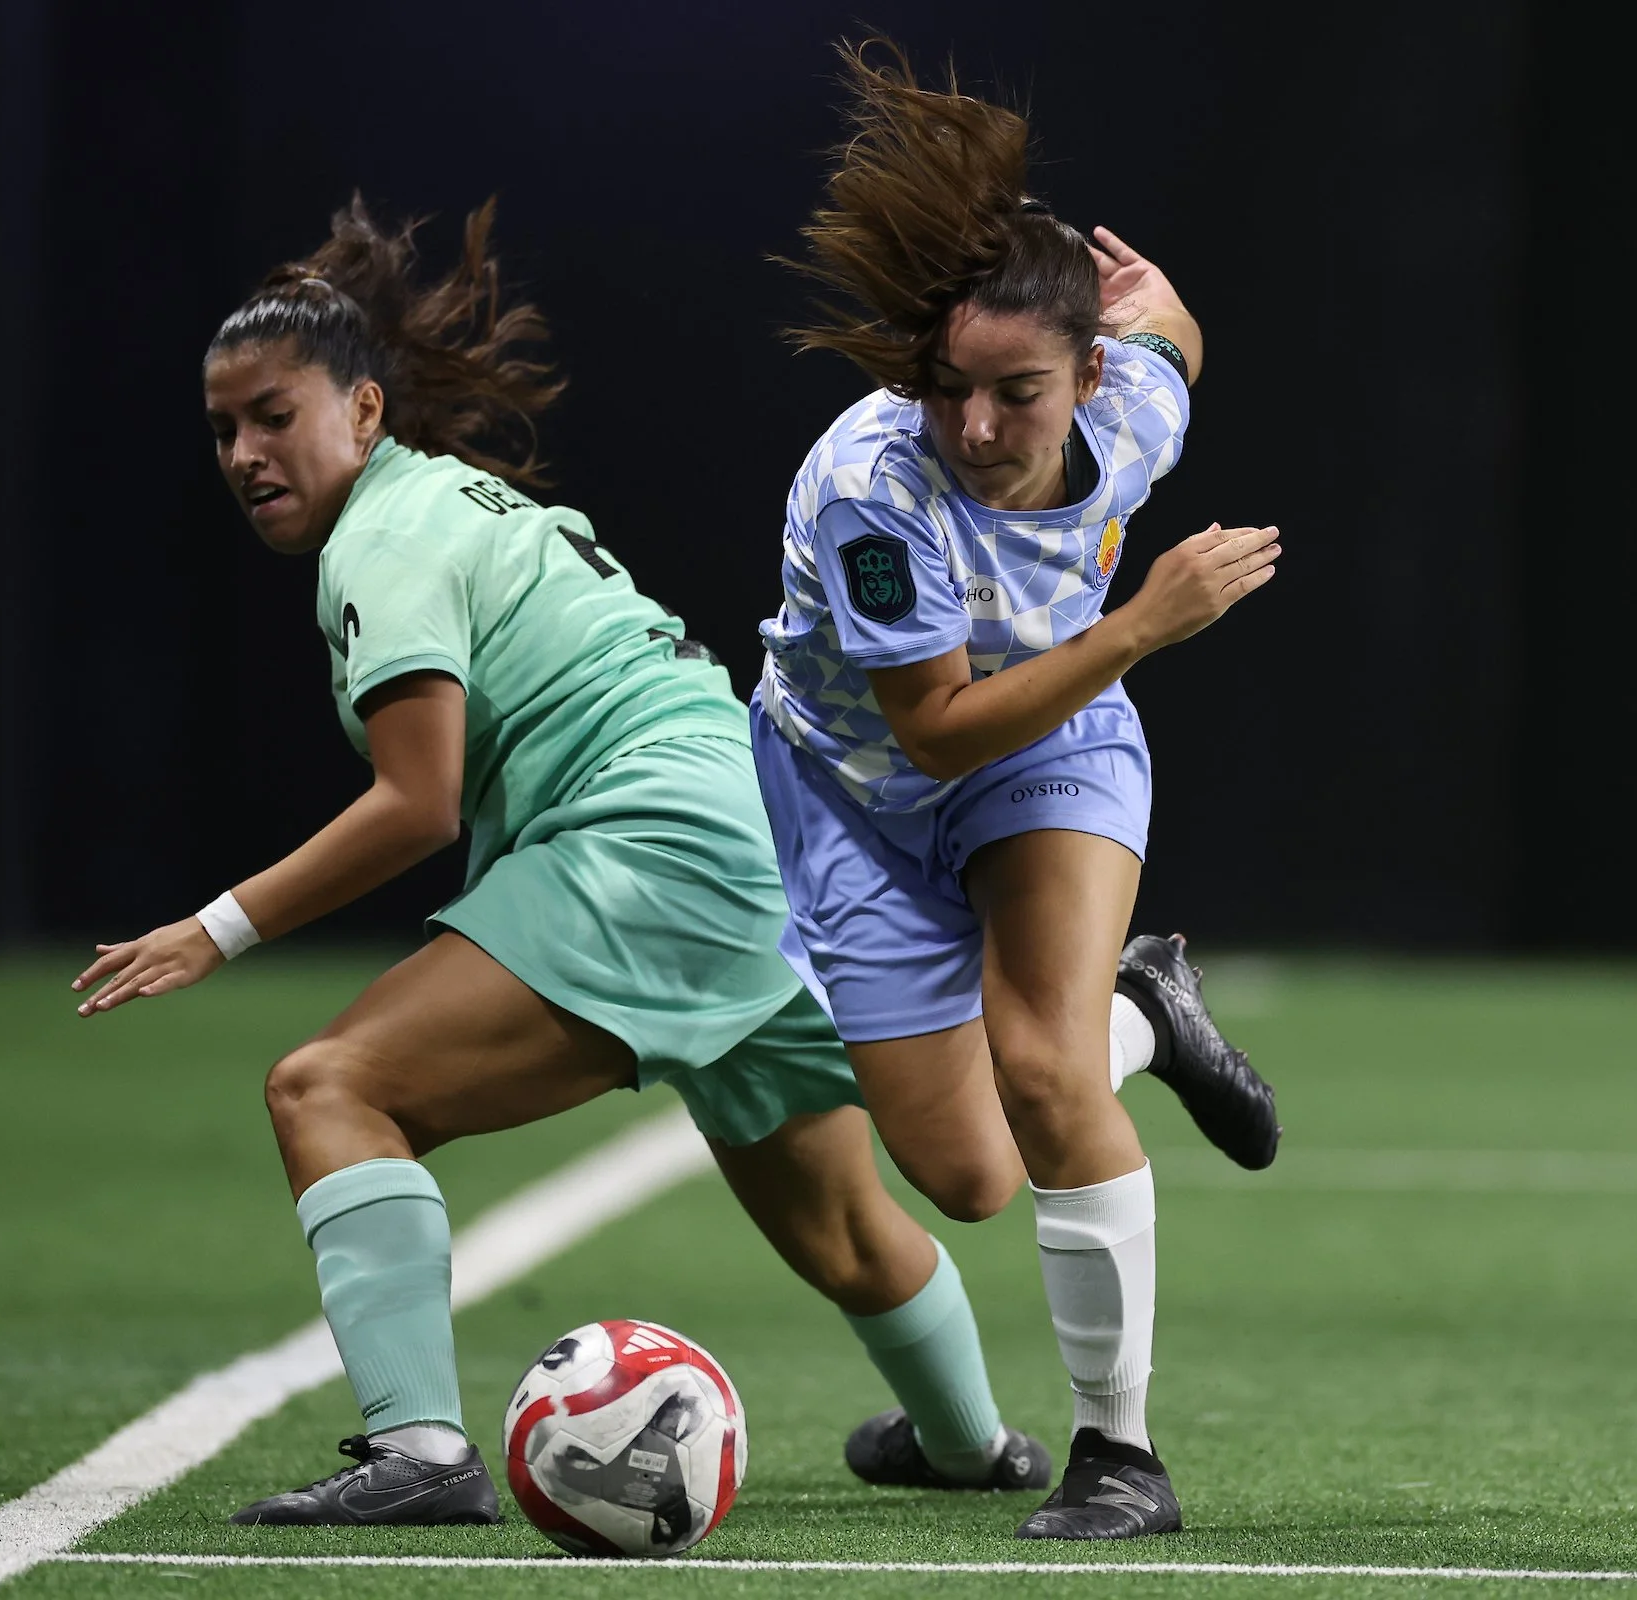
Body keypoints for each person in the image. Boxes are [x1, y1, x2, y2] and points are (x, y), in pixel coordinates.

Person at [72, 197, 1062, 1526]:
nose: (247, 452)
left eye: (274, 415)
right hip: (753, 833)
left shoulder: (385, 536)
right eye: (222, 429)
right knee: (841, 1221)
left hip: (652, 843)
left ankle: (418, 1451)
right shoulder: (444, 502)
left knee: (328, 1088)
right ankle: (968, 1444)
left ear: (364, 413)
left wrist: (218, 927)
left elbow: (416, 805)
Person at [752, 41, 1285, 1540]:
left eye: (1018, 393)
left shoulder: (1130, 417)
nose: (979, 428)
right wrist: (1141, 625)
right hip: (856, 791)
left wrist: (1153, 289)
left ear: (1088, 379)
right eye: (952, 389)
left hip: (1051, 753)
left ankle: (1119, 1456)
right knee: (971, 1173)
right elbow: (930, 732)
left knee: (1045, 1075)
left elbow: (1174, 333)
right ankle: (1150, 1012)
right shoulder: (875, 489)